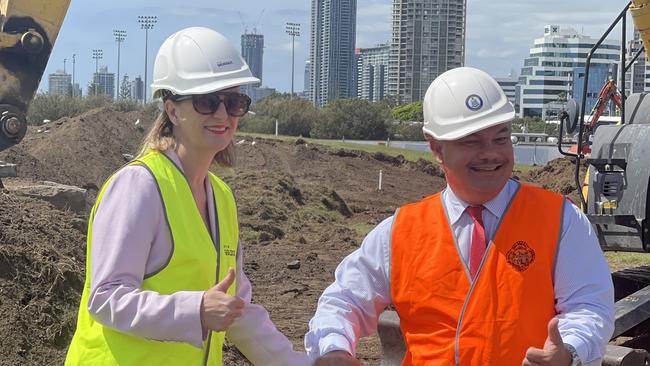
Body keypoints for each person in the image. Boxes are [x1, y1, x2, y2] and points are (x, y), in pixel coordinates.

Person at [304, 67, 614, 366]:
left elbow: (589, 306)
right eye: (472, 141)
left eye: (500, 137)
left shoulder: (560, 220)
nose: (490, 153)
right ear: (436, 148)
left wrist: (570, 352)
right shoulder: (400, 232)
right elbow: (345, 299)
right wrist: (333, 349)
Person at [65, 27, 309, 366]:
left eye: (234, 102)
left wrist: (302, 363)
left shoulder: (222, 198)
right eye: (207, 102)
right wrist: (195, 310)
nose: (222, 115)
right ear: (173, 110)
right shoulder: (140, 186)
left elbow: (237, 310)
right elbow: (106, 298)